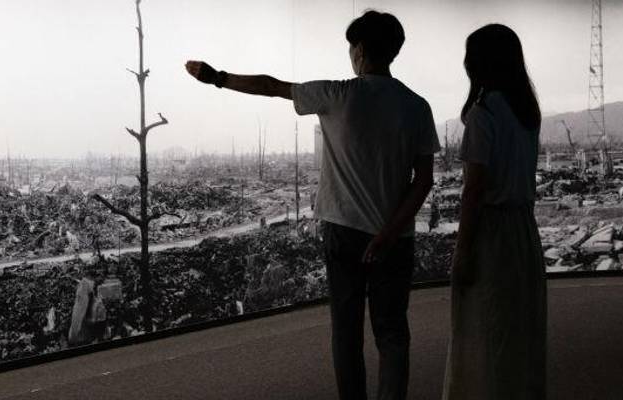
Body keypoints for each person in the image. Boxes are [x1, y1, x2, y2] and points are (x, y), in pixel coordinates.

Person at [185, 10, 439, 400]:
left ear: (358, 50)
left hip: (343, 233)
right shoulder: (417, 106)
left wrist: (217, 77)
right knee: (392, 334)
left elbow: (271, 86)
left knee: (347, 332)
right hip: (395, 239)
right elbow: (422, 181)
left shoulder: (338, 94)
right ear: (394, 51)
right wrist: (388, 234)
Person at [444, 24, 547, 400]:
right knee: (521, 330)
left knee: (485, 330)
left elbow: (474, 191)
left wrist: (462, 250)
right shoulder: (527, 112)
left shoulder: (482, 115)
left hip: (493, 234)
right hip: (524, 232)